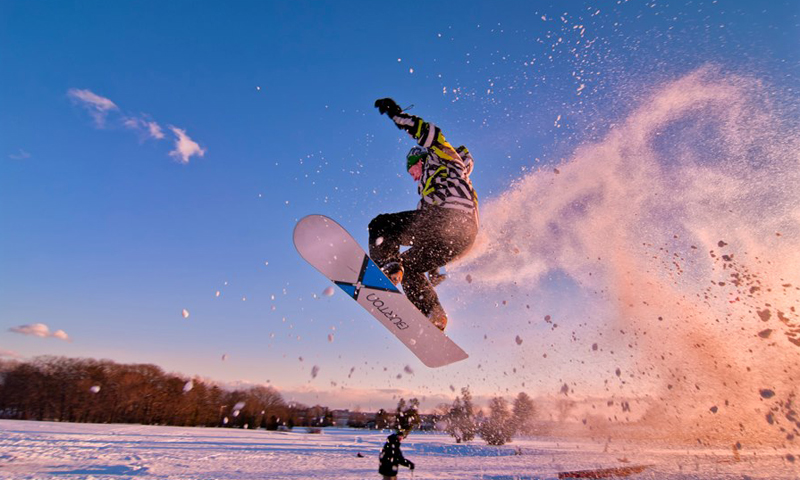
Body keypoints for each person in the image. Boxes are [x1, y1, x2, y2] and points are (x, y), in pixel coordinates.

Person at [370, 98, 479, 330]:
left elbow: (430, 133)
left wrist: (397, 115)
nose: (413, 175)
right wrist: (434, 268)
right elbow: (430, 238)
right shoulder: (438, 195)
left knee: (381, 225)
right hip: (462, 237)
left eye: (412, 168)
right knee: (410, 267)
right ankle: (434, 315)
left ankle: (389, 268)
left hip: (449, 220)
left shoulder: (445, 157)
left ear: (421, 159)